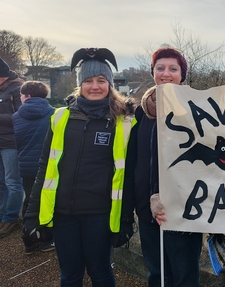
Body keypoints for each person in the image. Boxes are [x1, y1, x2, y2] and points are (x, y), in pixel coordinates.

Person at [23, 48, 136, 286]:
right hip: (63, 214)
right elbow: (44, 168)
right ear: (79, 85)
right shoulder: (60, 118)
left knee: (101, 272)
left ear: (110, 84)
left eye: (101, 80)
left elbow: (129, 175)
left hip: (99, 214)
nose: (95, 86)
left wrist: (126, 218)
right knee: (70, 275)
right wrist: (32, 215)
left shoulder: (124, 121)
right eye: (88, 81)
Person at [123, 47, 203, 287]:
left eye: (173, 68)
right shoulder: (141, 113)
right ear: (153, 72)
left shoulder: (197, 110)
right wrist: (135, 205)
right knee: (157, 276)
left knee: (185, 277)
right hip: (148, 211)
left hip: (183, 211)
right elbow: (134, 161)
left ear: (182, 75)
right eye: (160, 68)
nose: (166, 73)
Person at [13, 81, 55, 254]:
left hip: (26, 166)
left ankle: (29, 240)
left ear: (28, 96)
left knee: (30, 199)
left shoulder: (16, 116)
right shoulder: (54, 114)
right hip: (48, 166)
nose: (20, 99)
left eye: (21, 96)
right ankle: (46, 240)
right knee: (48, 201)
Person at [0, 58, 24, 239]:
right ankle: (3, 215)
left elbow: (21, 115)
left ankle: (11, 217)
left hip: (11, 143)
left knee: (13, 182)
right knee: (2, 184)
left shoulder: (17, 89)